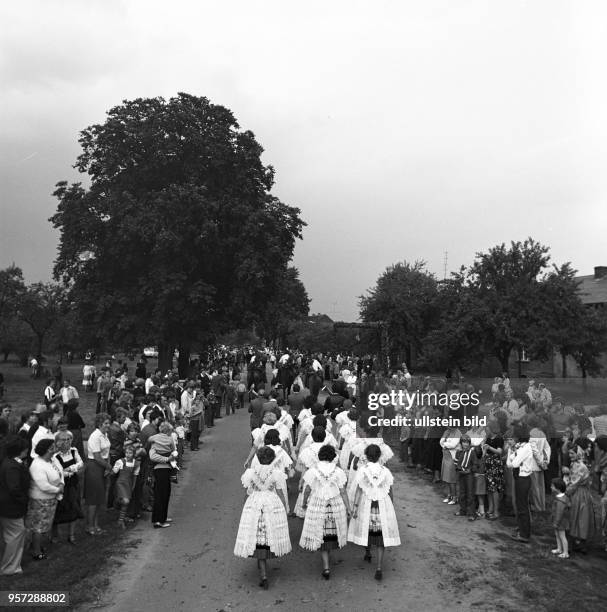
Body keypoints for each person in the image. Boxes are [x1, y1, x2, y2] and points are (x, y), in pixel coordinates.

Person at [234, 446, 291, 589]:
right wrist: (284, 509)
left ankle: (263, 573)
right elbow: (280, 492)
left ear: (258, 458)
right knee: (267, 533)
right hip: (272, 503)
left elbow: (247, 492)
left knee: (256, 532)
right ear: (273, 458)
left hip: (255, 503)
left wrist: (244, 508)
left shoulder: (250, 473)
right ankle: (264, 565)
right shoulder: (276, 473)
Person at [348, 443, 401, 581]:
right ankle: (378, 567)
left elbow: (359, 490)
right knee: (381, 535)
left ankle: (367, 552)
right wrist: (392, 506)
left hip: (367, 502)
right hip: (382, 503)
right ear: (379, 456)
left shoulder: (362, 470)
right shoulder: (385, 471)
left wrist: (354, 507)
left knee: (367, 528)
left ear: (366, 456)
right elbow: (390, 490)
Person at [299, 445, 350, 579]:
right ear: (333, 456)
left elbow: (308, 489)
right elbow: (343, 491)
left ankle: (326, 566)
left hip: (318, 505)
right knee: (331, 533)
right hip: (335, 506)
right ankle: (328, 557)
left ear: (320, 456)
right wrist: (348, 508)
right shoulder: (338, 471)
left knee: (320, 534)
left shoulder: (313, 470)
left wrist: (304, 503)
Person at [26, 438, 64, 559]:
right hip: (40, 500)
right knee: (39, 526)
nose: (56, 446)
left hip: (51, 499)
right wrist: (57, 489)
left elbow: (60, 472)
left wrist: (62, 483)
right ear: (48, 449)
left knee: (45, 526)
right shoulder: (37, 465)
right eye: (53, 446)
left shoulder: (52, 460)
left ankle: (38, 545)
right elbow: (43, 485)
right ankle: (36, 552)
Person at [0, 436, 30, 575]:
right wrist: (24, 500)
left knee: (13, 535)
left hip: (9, 506)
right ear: (20, 450)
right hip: (11, 508)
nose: (27, 450)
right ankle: (8, 567)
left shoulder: (10, 462)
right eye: (25, 449)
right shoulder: (12, 466)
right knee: (14, 535)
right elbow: (14, 488)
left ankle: (14, 565)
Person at [51, 430, 83, 543]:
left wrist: (69, 469)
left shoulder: (74, 451)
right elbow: (59, 473)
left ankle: (71, 535)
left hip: (73, 485)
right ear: (57, 442)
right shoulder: (55, 456)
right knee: (58, 510)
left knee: (74, 508)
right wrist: (73, 470)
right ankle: (55, 535)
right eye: (63, 439)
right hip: (61, 486)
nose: (67, 442)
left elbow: (81, 463)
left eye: (68, 439)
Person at [84, 413, 112, 536]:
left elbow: (107, 453)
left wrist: (107, 466)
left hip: (103, 466)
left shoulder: (105, 435)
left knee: (100, 497)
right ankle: (89, 526)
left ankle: (96, 524)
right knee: (93, 498)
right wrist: (108, 466)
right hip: (94, 467)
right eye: (106, 423)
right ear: (99, 424)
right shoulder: (95, 436)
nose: (108, 425)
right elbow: (96, 456)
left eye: (108, 423)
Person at [506, 424, 534, 543]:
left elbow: (515, 464)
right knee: (519, 505)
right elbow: (508, 464)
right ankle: (521, 527)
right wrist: (511, 452)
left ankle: (524, 534)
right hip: (518, 478)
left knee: (523, 507)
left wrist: (513, 455)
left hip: (523, 479)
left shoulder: (525, 448)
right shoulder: (520, 447)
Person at [148, 421, 177, 528]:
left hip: (157, 469)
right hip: (165, 469)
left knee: (160, 494)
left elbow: (152, 455)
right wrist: (167, 459)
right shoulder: (169, 439)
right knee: (164, 494)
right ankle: (159, 520)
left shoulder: (154, 440)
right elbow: (173, 450)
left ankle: (161, 517)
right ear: (168, 431)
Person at [112, 444, 140, 529]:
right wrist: (111, 470)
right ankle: (116, 502)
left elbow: (135, 475)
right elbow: (114, 472)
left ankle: (120, 520)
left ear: (134, 454)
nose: (128, 454)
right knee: (126, 501)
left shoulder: (136, 463)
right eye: (126, 452)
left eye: (130, 453)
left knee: (125, 502)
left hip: (129, 484)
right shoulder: (120, 461)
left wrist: (133, 485)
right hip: (120, 483)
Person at [550, 477, 570, 558]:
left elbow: (559, 513)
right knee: (557, 535)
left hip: (560, 522)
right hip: (558, 521)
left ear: (557, 488)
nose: (551, 487)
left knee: (562, 536)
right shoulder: (559, 497)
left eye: (552, 486)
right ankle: (559, 549)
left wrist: (556, 523)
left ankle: (565, 553)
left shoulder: (560, 501)